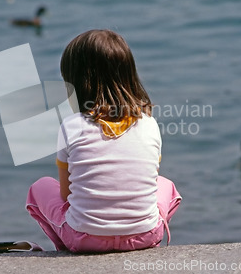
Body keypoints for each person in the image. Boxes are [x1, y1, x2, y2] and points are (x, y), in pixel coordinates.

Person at [26, 29, 181, 253]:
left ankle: (64, 247)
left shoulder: (71, 126)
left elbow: (66, 195)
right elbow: (147, 180)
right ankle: (150, 237)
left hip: (84, 239)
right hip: (145, 235)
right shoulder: (149, 124)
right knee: (167, 186)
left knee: (39, 187)